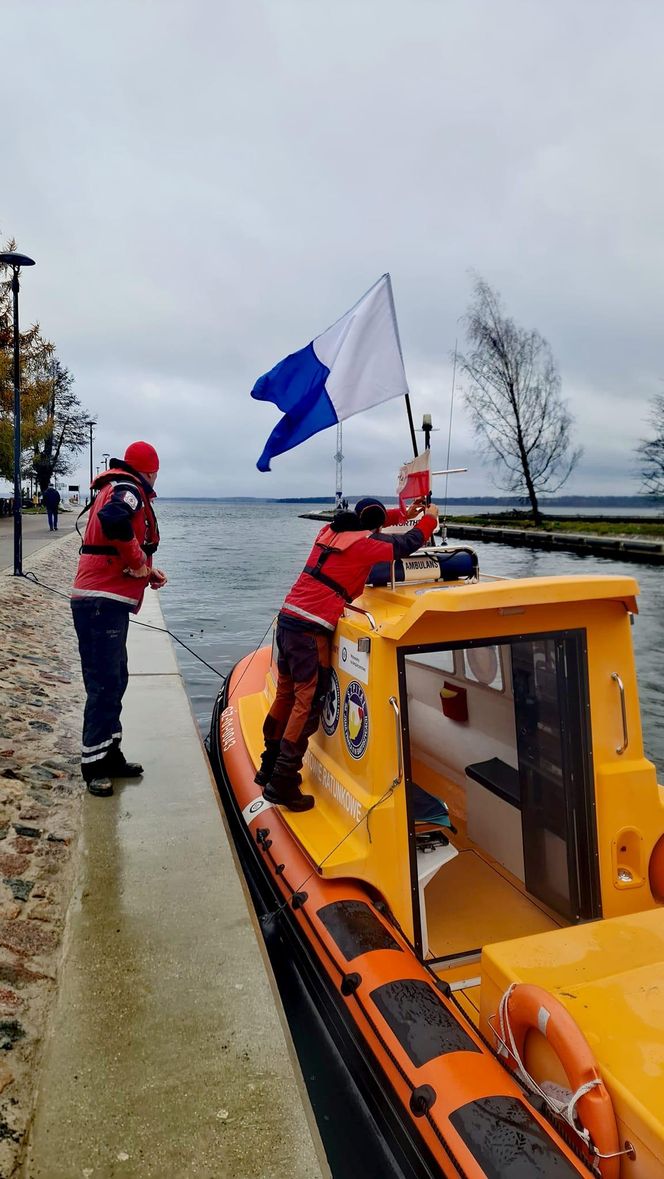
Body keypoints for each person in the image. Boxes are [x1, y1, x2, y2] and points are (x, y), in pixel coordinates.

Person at [256, 496, 440, 811]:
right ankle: (283, 780)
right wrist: (429, 519)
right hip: (310, 630)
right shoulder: (366, 545)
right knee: (308, 700)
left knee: (286, 693)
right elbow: (404, 545)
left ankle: (268, 765)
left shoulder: (328, 531)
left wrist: (403, 513)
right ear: (377, 526)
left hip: (288, 618)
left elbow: (370, 521)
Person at [70, 441, 168, 797]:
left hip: (103, 600)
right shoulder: (129, 490)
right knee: (103, 684)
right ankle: (93, 765)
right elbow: (114, 520)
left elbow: (116, 546)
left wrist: (145, 572)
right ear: (150, 470)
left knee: (116, 679)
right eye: (157, 471)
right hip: (100, 603)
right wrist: (137, 558)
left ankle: (110, 754)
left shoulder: (120, 485)